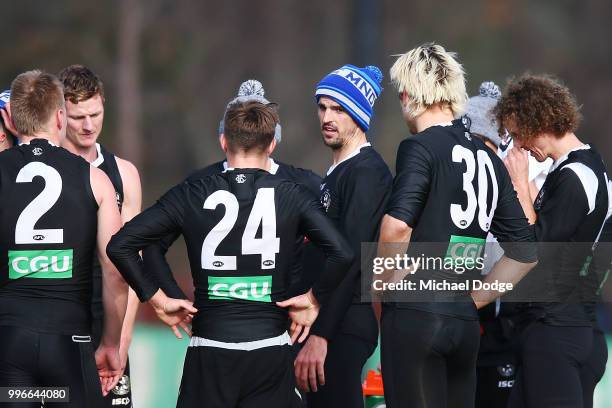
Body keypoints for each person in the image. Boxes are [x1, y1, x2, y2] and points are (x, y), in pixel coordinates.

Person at [107, 100, 355, 408]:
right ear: (272, 144)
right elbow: (343, 253)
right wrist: (314, 299)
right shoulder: (293, 194)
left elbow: (120, 245)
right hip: (271, 351)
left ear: (224, 141)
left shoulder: (192, 192)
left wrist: (157, 298)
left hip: (210, 351)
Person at [376, 43, 538, 408]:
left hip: (416, 315)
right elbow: (526, 252)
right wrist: (474, 299)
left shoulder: (420, 147)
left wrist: (383, 282)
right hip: (464, 325)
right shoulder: (490, 159)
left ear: (407, 94)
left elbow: (396, 228)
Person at [0, 70, 128, 407]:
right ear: (60, 117)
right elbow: (115, 271)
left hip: (9, 340)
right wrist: (111, 344)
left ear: (12, 117)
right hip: (70, 342)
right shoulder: (96, 178)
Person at [142, 79, 322, 309]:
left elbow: (347, 248)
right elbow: (151, 244)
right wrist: (176, 300)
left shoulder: (307, 184)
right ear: (274, 142)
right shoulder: (198, 185)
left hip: (286, 331)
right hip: (227, 330)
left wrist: (316, 308)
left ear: (222, 140)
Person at [496, 74, 609, 408]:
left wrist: (517, 181)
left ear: (539, 120)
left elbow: (535, 249)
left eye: (518, 134)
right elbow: (550, 224)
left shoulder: (574, 178)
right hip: (569, 325)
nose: (519, 146)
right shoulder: (580, 167)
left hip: (556, 330)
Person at [292, 64, 392, 408]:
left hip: (342, 324)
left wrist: (321, 336)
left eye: (339, 109)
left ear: (360, 115)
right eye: (322, 107)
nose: (327, 117)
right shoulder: (338, 171)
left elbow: (351, 259)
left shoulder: (367, 172)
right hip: (324, 321)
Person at [57, 64, 142, 407]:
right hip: (55, 320)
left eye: (95, 113)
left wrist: (122, 340)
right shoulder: (44, 169)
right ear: (60, 114)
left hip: (106, 318)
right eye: (78, 117)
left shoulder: (124, 173)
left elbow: (132, 263)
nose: (89, 125)